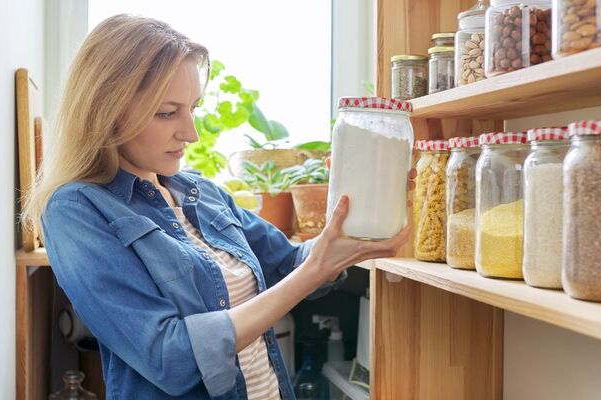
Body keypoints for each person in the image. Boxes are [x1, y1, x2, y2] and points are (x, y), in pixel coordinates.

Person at [22, 14, 411, 400]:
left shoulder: (202, 193)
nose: (190, 133)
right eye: (167, 112)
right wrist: (313, 272)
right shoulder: (76, 210)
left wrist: (357, 209)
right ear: (107, 110)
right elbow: (168, 358)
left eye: (192, 107)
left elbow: (289, 265)